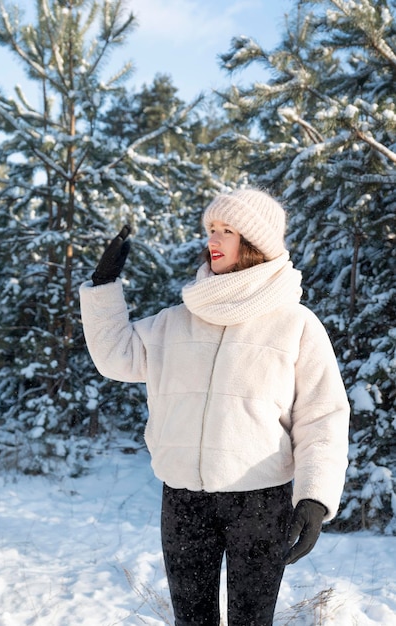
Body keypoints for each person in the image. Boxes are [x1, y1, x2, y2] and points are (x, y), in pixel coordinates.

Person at [79, 188, 350, 626]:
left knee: (250, 621)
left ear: (256, 243)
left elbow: (323, 417)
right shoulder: (176, 320)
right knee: (192, 621)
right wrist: (103, 286)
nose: (214, 239)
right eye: (210, 229)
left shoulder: (295, 324)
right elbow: (116, 357)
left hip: (260, 501)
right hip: (184, 499)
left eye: (227, 230)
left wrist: (315, 497)